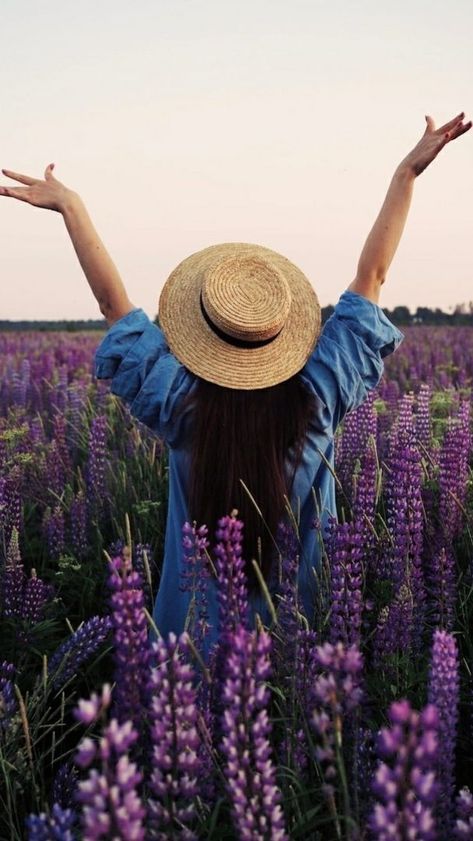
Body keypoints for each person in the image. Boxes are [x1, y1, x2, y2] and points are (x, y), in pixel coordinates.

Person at [1, 112, 470, 664]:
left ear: (205, 337)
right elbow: (373, 277)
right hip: (304, 655)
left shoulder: (181, 406)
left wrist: (71, 208)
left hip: (189, 657)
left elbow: (113, 305)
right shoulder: (318, 399)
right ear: (282, 334)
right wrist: (406, 174)